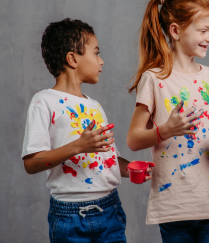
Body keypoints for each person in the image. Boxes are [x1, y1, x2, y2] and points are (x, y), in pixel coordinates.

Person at [22, 18, 150, 243]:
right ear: (72, 58)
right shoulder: (44, 102)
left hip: (110, 210)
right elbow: (31, 163)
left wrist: (132, 169)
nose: (101, 61)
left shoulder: (94, 106)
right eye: (96, 53)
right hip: (68, 218)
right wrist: (78, 146)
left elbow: (108, 158)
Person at [127, 0, 209, 243]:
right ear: (176, 31)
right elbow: (133, 140)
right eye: (203, 30)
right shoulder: (154, 79)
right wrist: (166, 130)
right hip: (174, 206)